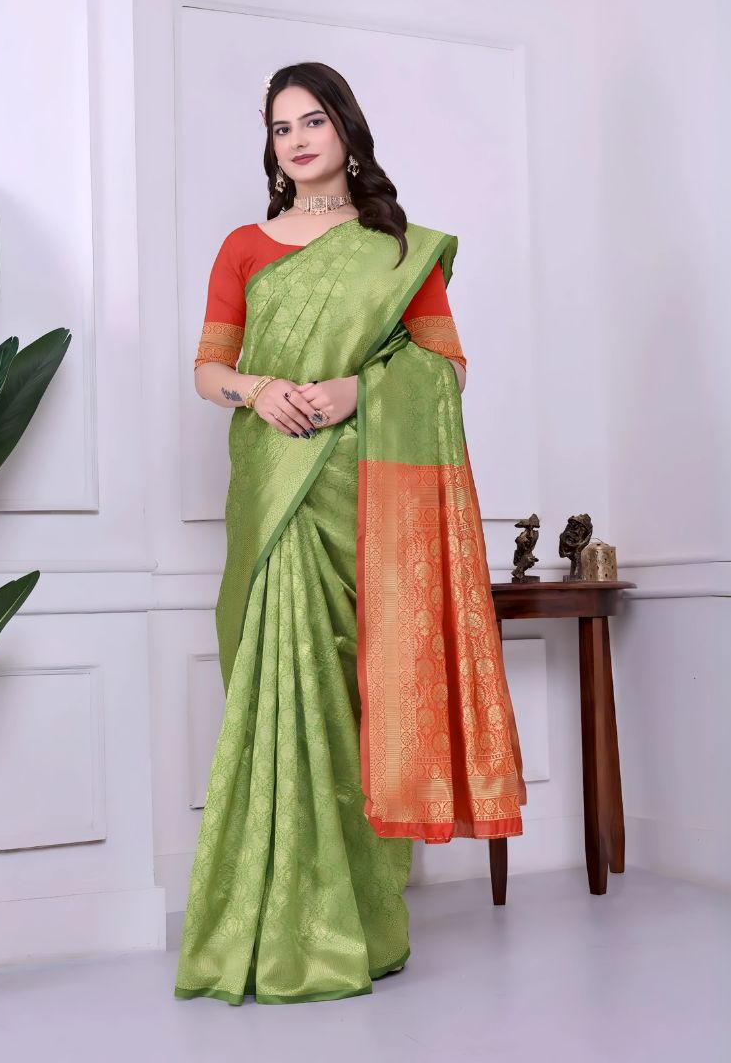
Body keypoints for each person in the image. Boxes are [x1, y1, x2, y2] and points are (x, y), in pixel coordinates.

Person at [174, 62, 526, 1006]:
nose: (294, 139)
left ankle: (358, 924)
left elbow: (446, 369)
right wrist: (261, 389)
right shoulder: (244, 245)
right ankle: (264, 922)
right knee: (277, 689)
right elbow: (208, 370)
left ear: (346, 130)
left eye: (312, 120)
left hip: (365, 500)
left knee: (358, 692)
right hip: (272, 487)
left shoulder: (396, 247)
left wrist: (353, 391)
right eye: (280, 126)